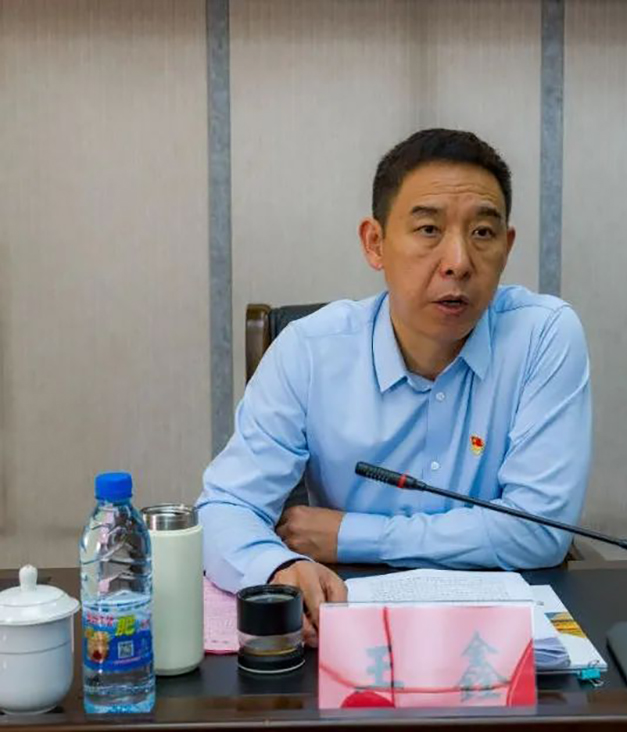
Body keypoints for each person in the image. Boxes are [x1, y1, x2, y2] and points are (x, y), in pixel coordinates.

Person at [197, 128, 591, 647]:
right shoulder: (311, 351)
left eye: (482, 232)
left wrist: (349, 534)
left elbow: (539, 532)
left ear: (507, 246)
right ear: (375, 243)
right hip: (345, 631)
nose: (458, 261)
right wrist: (277, 567)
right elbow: (224, 508)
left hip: (500, 643)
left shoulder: (543, 336)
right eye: (429, 230)